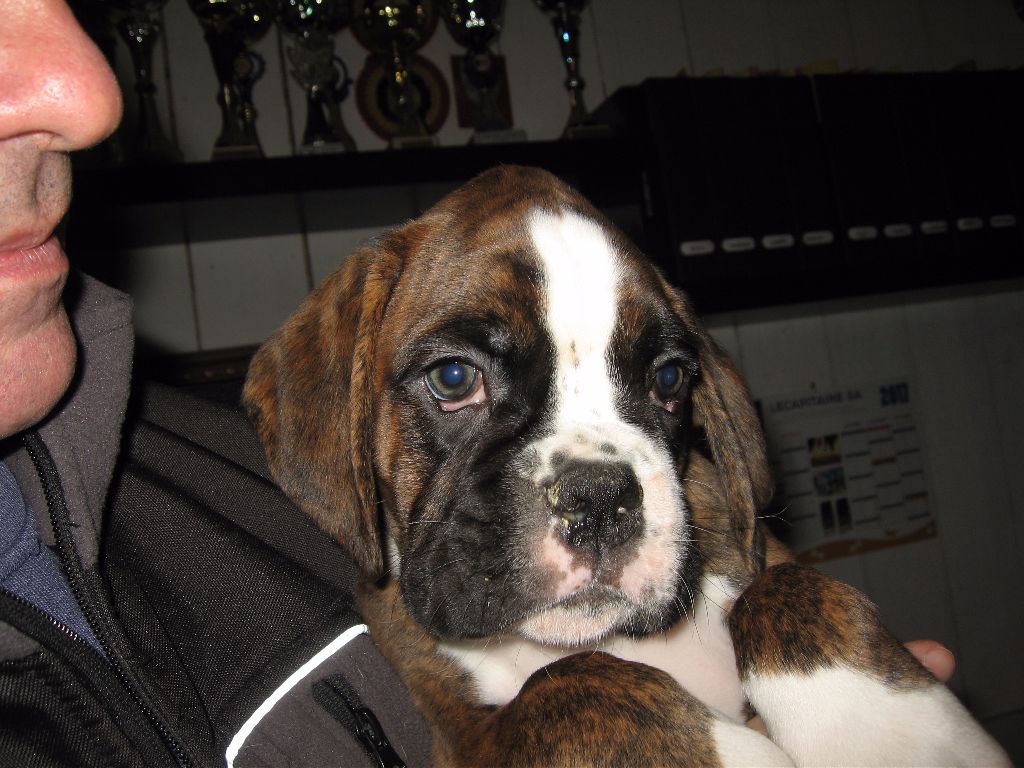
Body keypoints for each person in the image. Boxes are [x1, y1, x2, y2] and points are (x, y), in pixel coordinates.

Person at [0, 1, 953, 766]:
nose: (594, 487)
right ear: (341, 408)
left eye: (659, 378)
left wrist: (809, 628)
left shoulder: (699, 510)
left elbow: (765, 550)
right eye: (456, 378)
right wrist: (587, 712)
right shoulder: (382, 592)